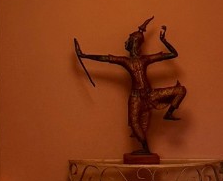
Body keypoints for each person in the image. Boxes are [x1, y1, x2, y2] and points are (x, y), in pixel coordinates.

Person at [74, 17, 186, 156]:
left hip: (149, 94)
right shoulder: (125, 61)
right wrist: (84, 55)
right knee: (134, 123)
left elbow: (173, 54)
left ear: (134, 43)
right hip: (135, 98)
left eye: (128, 39)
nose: (125, 42)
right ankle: (145, 149)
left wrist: (164, 41)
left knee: (181, 90)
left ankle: (169, 114)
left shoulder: (145, 59)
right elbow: (105, 58)